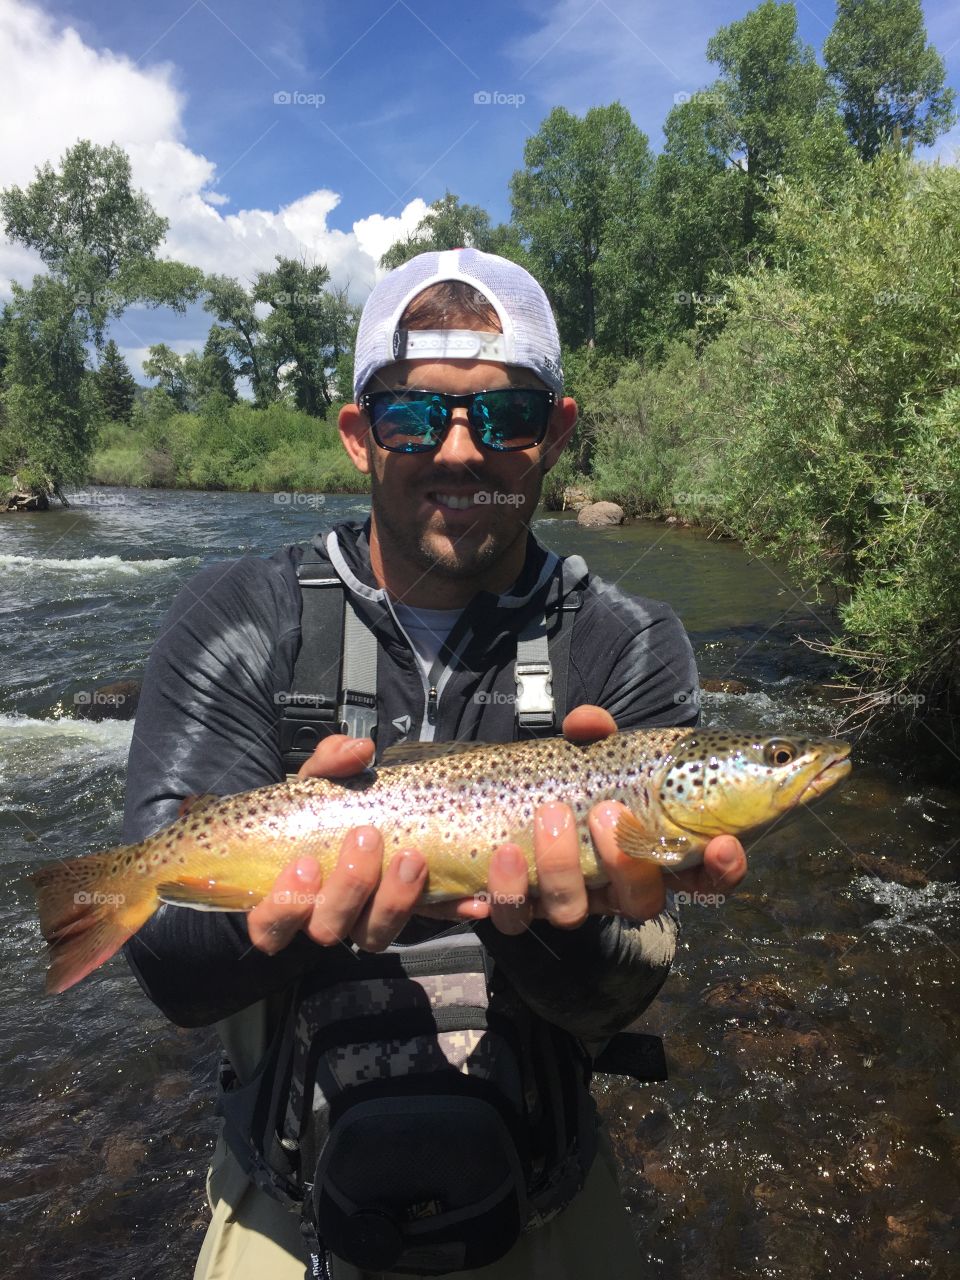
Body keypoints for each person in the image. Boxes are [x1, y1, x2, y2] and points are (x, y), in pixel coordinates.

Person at [122, 247, 747, 1279]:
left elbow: (617, 1001)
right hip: (289, 1208)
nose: (460, 450)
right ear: (361, 436)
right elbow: (164, 964)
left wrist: (563, 927)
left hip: (546, 1195)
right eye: (416, 415)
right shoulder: (236, 618)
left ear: (556, 432)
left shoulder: (627, 642)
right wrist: (271, 928)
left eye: (502, 417)